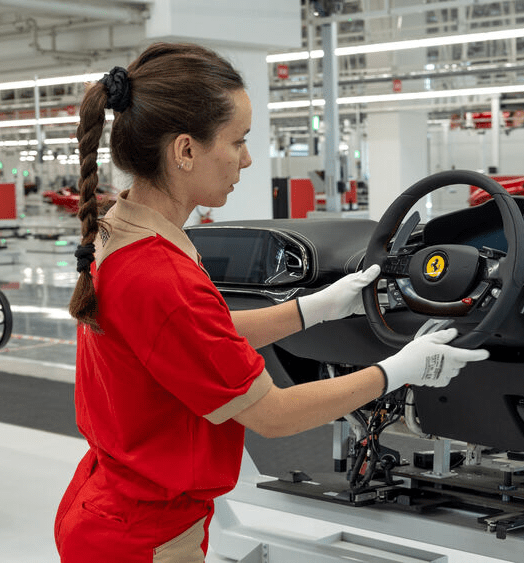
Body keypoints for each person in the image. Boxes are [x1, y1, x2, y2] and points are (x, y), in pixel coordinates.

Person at [55, 42, 488, 563]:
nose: (247, 159)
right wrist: (399, 370)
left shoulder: (122, 233)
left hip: (111, 508)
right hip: (144, 537)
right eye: (237, 141)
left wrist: (318, 307)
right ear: (185, 150)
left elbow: (196, 338)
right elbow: (273, 415)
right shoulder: (161, 275)